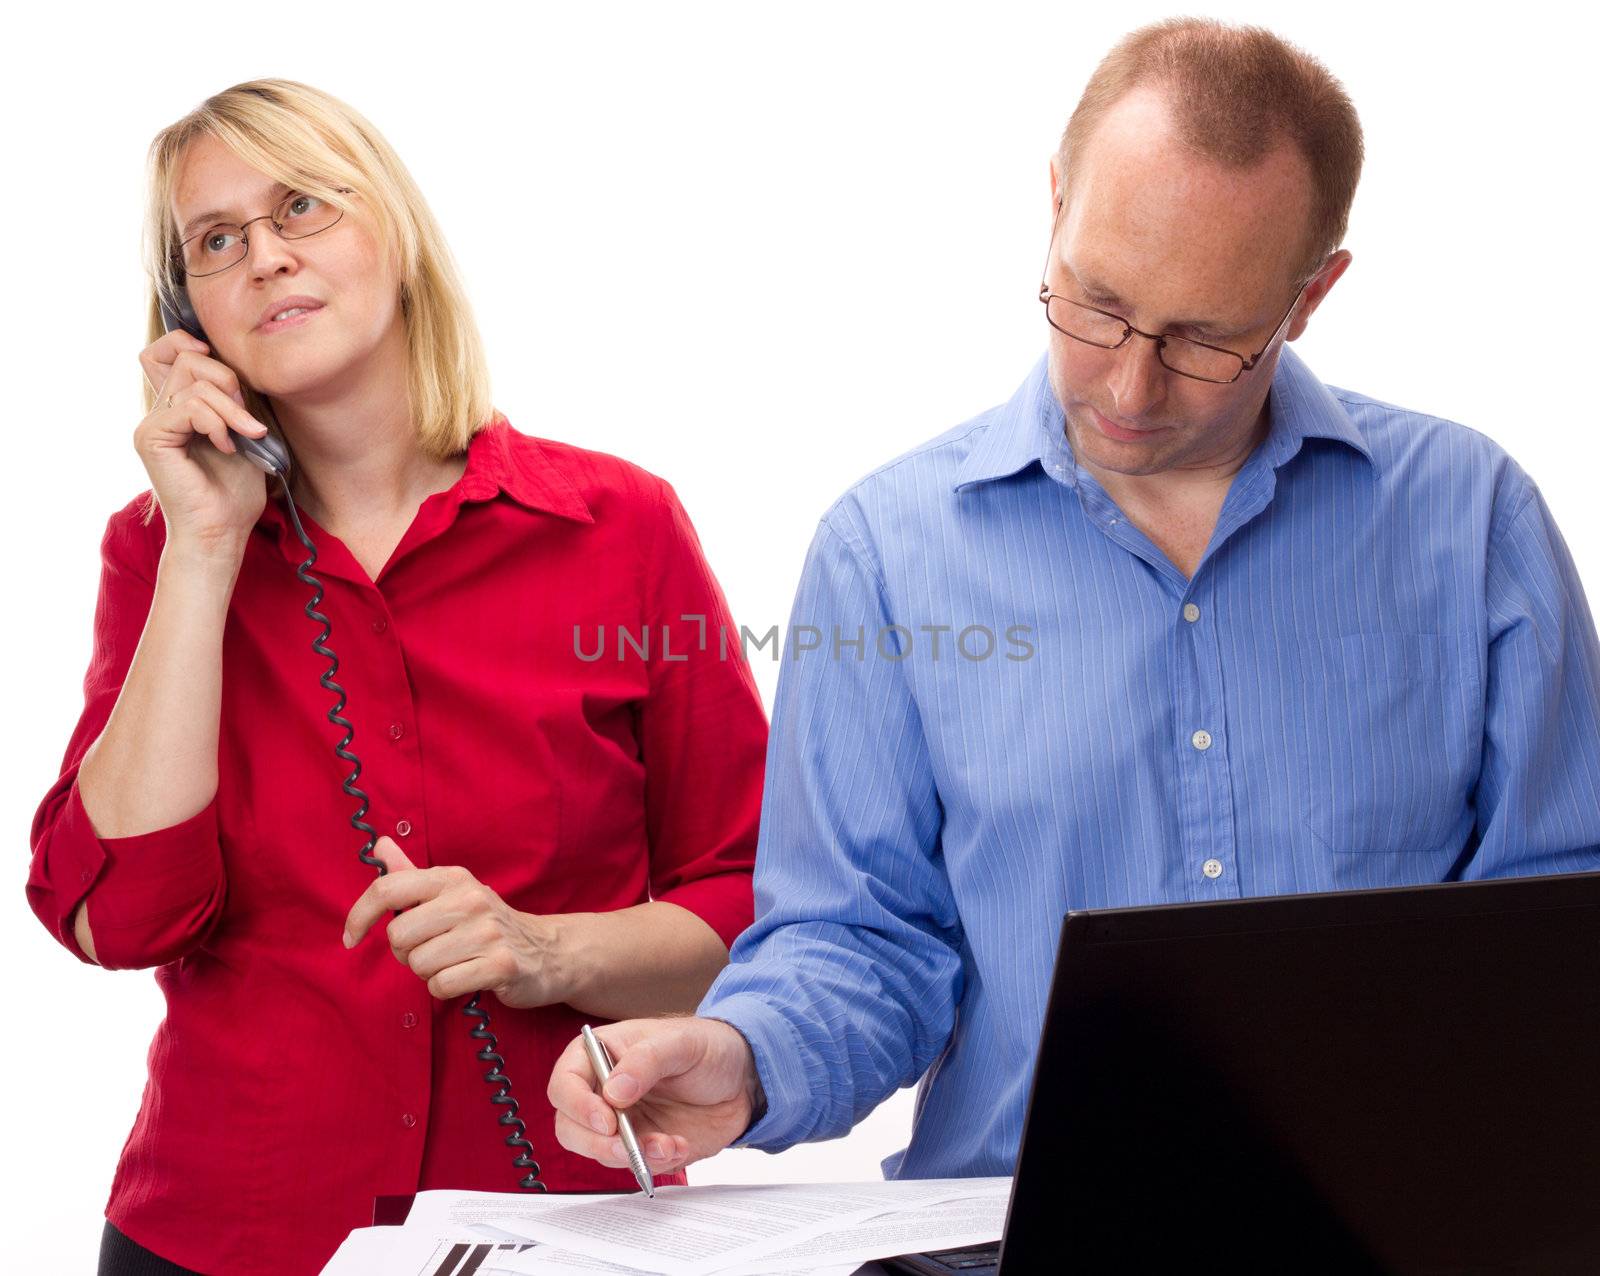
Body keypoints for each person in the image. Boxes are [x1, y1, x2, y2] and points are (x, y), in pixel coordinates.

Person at [547, 16, 1600, 1187]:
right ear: (1053, 205)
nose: (1129, 384)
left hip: (1397, 1227)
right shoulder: (885, 553)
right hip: (1013, 1235)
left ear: (1311, 296)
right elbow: (864, 940)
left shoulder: (1469, 519)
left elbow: (1558, 929)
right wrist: (744, 1056)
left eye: (1207, 339)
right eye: (1095, 303)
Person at [25, 80, 768, 1276]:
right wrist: (206, 548)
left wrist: (548, 950)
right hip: (231, 1236)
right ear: (187, 314)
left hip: (565, 1227)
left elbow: (752, 896)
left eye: (301, 208)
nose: (264, 258)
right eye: (215, 242)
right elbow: (118, 917)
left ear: (398, 236)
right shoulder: (160, 550)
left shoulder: (619, 527)